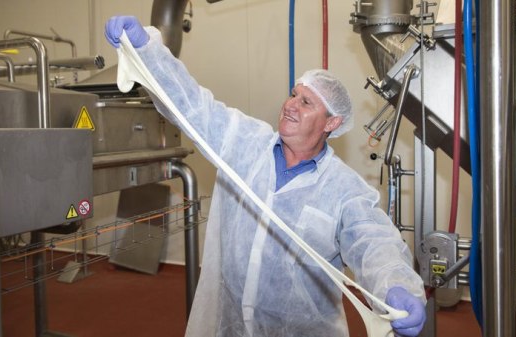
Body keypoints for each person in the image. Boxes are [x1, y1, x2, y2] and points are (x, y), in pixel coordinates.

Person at [105, 16, 426, 337]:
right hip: (229, 326)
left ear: (331, 123)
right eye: (292, 94)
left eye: (306, 102)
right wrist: (146, 51)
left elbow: (374, 243)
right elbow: (191, 104)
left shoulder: (345, 189)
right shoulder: (244, 142)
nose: (290, 105)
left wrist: (396, 285)